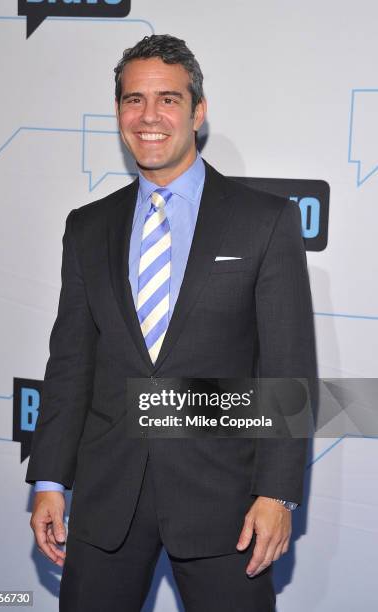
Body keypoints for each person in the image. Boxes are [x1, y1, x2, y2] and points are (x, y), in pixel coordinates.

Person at [26, 34, 317, 612]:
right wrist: (50, 481)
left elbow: (288, 367)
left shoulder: (264, 222)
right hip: (107, 501)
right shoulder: (88, 227)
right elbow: (70, 366)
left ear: (197, 110)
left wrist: (278, 494)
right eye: (134, 100)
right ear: (118, 112)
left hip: (227, 506)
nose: (149, 116)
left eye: (168, 99)